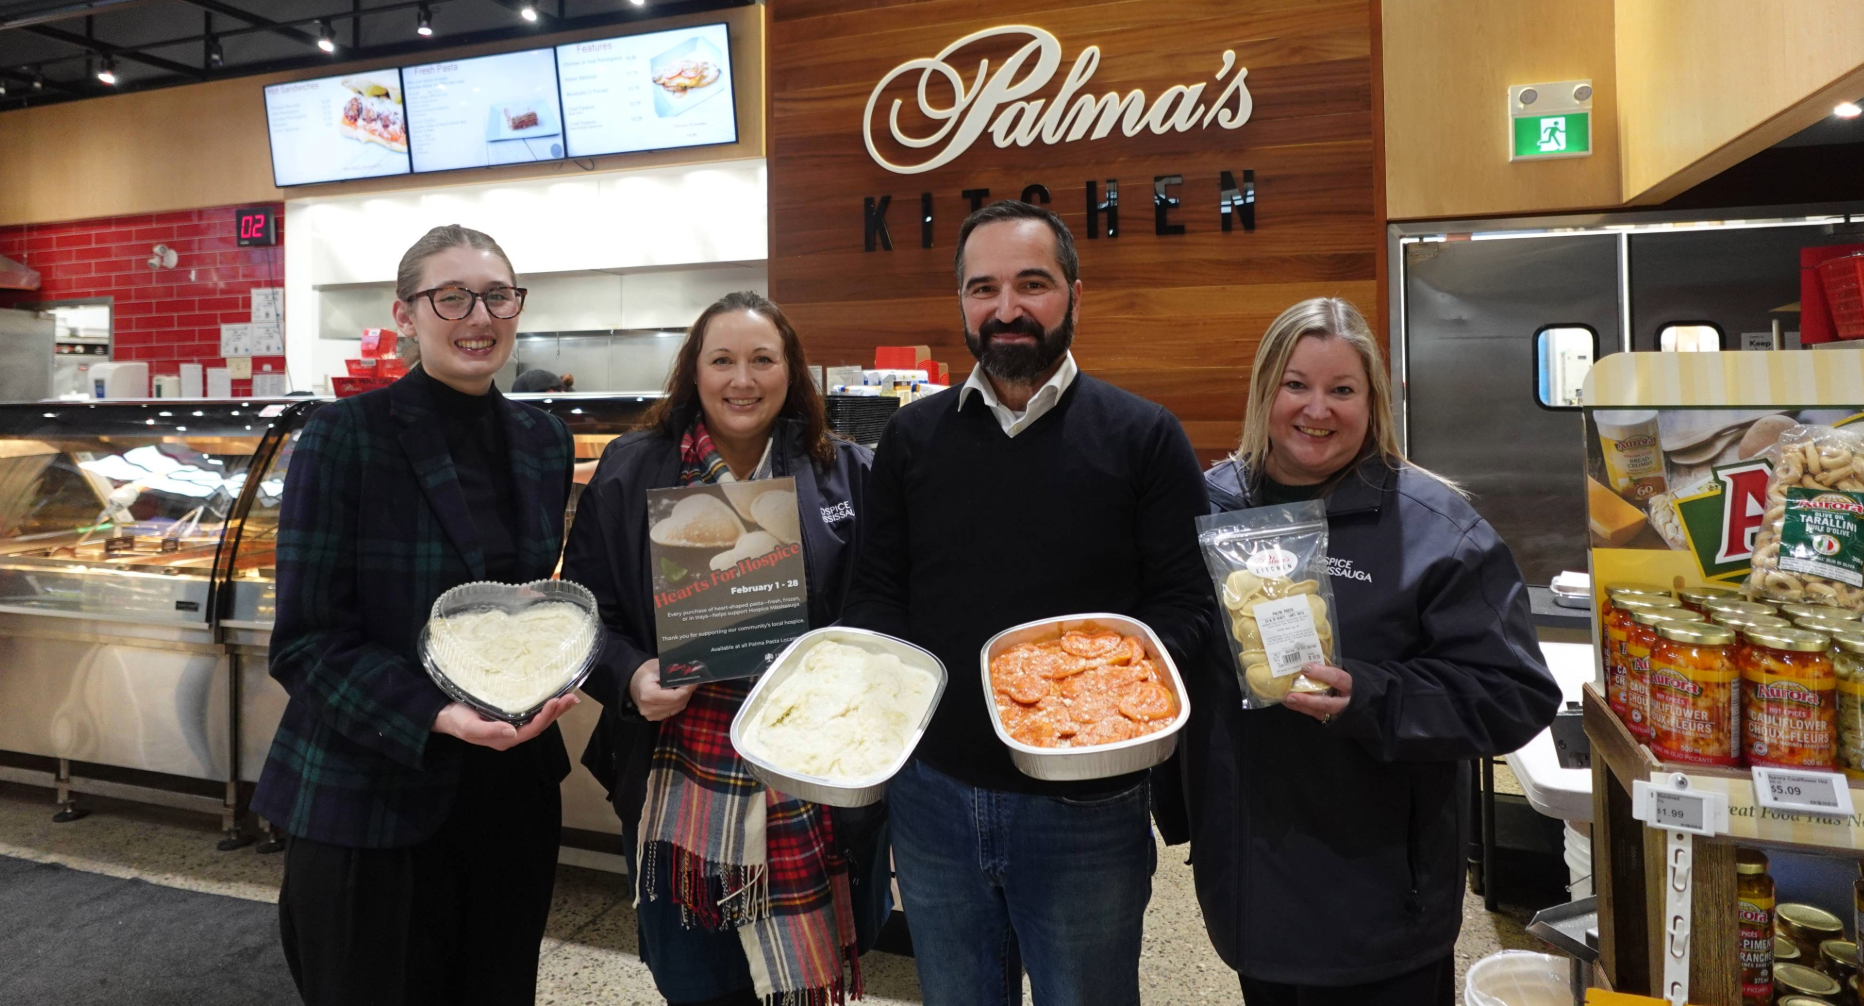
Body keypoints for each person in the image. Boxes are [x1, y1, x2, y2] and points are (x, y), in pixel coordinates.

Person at [838, 199, 1216, 1006]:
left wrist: (1100, 697)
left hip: (1089, 806)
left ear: (1075, 295)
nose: (1006, 309)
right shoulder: (911, 439)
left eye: (1032, 284)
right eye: (984, 288)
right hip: (933, 794)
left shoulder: (1144, 436)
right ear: (963, 304)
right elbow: (877, 590)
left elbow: (1189, 605)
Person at [1182, 297, 1559, 1006]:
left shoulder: (1436, 529)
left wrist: (1373, 696)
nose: (1315, 409)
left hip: (1381, 901)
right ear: (1266, 390)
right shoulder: (1211, 512)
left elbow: (1517, 693)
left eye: (1341, 389)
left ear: (1373, 400)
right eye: (1296, 384)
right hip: (1248, 886)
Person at [255, 224, 580, 1006]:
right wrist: (438, 714)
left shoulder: (543, 439)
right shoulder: (343, 437)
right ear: (405, 314)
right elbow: (306, 641)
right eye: (452, 296)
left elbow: (529, 608)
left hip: (508, 793)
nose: (480, 315)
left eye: (498, 295)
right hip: (373, 793)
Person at [563, 291, 883, 1006]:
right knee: (695, 982)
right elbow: (585, 612)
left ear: (790, 370)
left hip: (812, 781)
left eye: (762, 360)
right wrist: (631, 674)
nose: (743, 380)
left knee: (817, 974)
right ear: (694, 372)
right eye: (723, 360)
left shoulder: (846, 472)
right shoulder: (631, 467)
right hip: (675, 777)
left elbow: (881, 610)